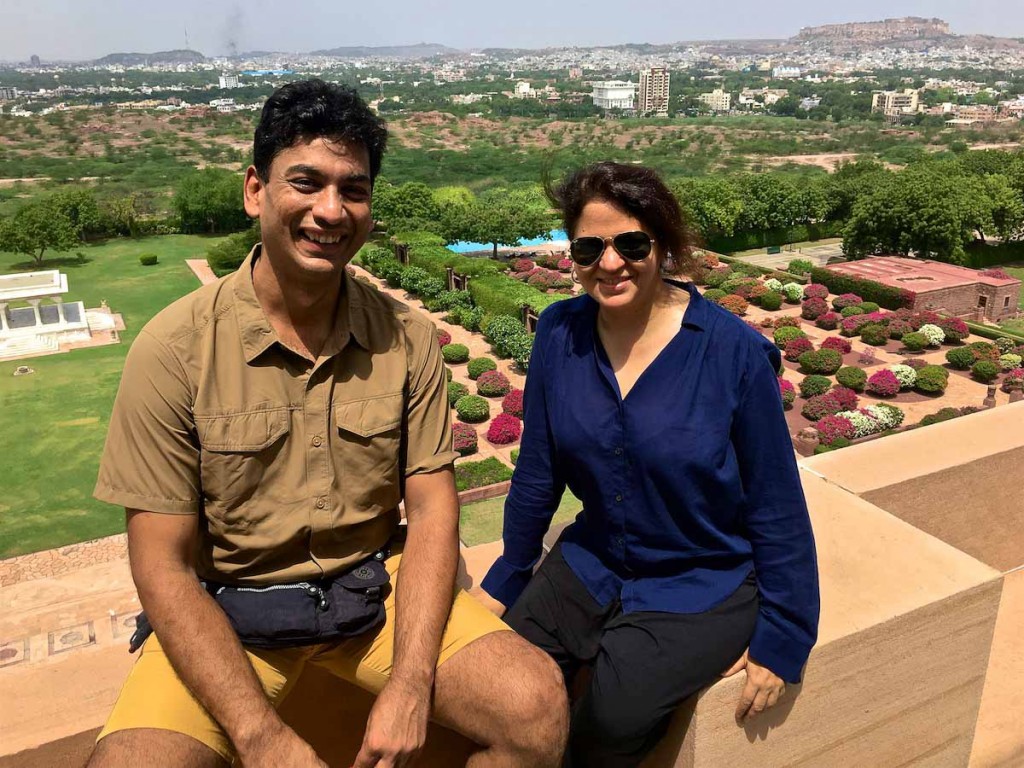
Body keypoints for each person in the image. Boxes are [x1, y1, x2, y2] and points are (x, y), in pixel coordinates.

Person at [87, 79, 567, 768]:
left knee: (536, 708)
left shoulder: (404, 336)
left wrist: (411, 681)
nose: (330, 210)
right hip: (229, 612)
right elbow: (160, 561)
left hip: (371, 589)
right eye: (306, 182)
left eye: (355, 188)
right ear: (255, 190)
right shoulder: (174, 352)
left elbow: (432, 512)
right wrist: (262, 737)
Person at [479, 162, 820, 767]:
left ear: (663, 245)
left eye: (631, 244)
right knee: (505, 682)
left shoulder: (731, 353)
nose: (610, 263)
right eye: (590, 247)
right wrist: (508, 575)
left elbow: (775, 504)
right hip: (592, 561)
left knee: (608, 724)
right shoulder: (561, 332)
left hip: (698, 579)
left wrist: (785, 636)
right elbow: (538, 471)